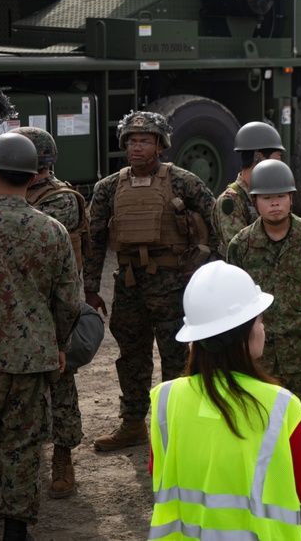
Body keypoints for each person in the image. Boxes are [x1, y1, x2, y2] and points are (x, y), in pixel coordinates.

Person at [149, 261, 301, 540]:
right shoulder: (277, 404)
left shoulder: (167, 398)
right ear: (242, 334)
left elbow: (158, 471)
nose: (263, 329)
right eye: (260, 320)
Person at [86, 111, 218, 452]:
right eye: (131, 141)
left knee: (177, 356)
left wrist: (208, 271)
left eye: (145, 141)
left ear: (160, 145)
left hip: (172, 282)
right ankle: (133, 424)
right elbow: (95, 239)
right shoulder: (108, 188)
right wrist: (90, 288)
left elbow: (216, 222)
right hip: (129, 284)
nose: (137, 147)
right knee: (131, 355)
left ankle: (180, 424)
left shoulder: (183, 181)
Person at [226, 159, 301, 530]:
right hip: (261, 356)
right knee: (261, 425)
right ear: (254, 202)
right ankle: (269, 491)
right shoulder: (241, 246)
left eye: (281, 197)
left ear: (292, 199)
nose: (274, 204)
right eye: (266, 198)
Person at [0, 132, 81, 541]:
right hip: (32, 358)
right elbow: (67, 302)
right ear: (32, 178)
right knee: (23, 445)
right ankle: (15, 530)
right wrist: (59, 345)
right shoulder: (52, 231)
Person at [12, 127, 92, 499]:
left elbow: (22, 228)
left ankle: (62, 457)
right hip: (18, 305)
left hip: (56, 306)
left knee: (61, 386)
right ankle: (7, 455)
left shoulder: (61, 200)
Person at [212, 121, 285, 255]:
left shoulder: (270, 194)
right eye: (278, 157)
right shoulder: (231, 200)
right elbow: (238, 248)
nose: (280, 163)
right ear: (260, 156)